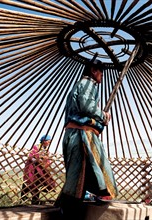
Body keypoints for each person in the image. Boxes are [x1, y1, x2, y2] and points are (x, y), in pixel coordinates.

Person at [56, 58, 118, 219]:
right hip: (80, 136)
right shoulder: (87, 84)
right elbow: (87, 107)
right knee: (88, 169)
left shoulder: (80, 85)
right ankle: (68, 211)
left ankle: (69, 209)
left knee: (79, 176)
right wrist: (102, 115)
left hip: (74, 135)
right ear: (93, 70)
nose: (102, 77)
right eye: (101, 73)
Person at [21, 134, 56, 205]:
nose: (49, 142)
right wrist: (38, 160)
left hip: (40, 170)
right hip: (32, 169)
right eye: (48, 141)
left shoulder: (46, 150)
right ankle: (23, 200)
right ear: (44, 141)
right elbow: (31, 157)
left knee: (38, 184)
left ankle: (35, 202)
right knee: (28, 183)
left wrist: (46, 163)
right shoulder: (36, 147)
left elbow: (46, 160)